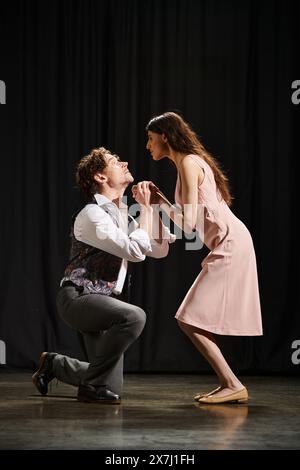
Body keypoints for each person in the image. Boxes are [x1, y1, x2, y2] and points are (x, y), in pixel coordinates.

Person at [32, 147, 175, 404]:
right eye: (115, 161)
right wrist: (144, 210)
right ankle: (88, 388)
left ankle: (55, 364)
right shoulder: (92, 214)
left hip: (104, 303)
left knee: (111, 386)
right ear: (100, 176)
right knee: (134, 316)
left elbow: (159, 249)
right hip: (77, 298)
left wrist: (150, 209)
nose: (125, 163)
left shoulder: (122, 217)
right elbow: (133, 250)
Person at [143, 112, 263, 404]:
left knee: (189, 319)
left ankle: (232, 384)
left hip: (231, 244)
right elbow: (190, 224)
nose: (148, 145)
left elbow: (187, 225)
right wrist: (161, 202)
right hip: (228, 243)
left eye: (150, 138)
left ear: (165, 137)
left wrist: (159, 204)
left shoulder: (188, 163)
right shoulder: (189, 163)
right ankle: (229, 383)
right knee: (194, 319)